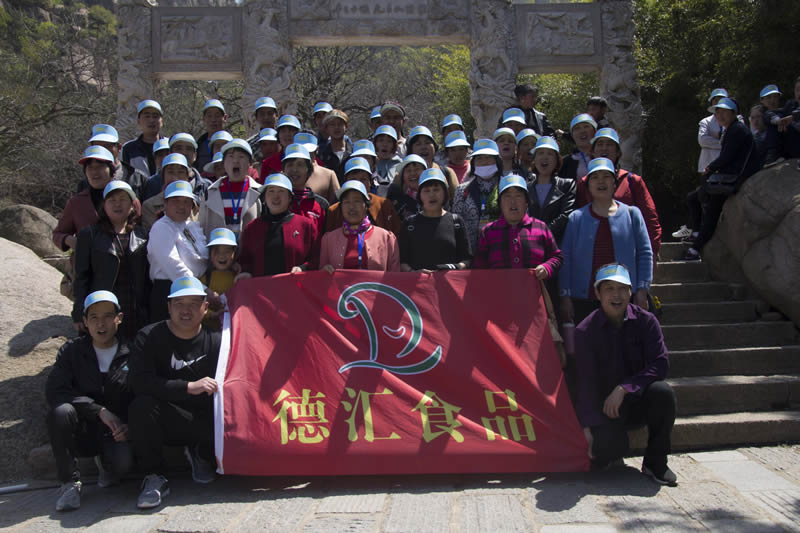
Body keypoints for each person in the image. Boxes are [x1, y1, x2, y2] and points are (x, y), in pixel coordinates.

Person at [575, 263, 677, 486]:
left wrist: (625, 388)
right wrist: (587, 428)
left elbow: (660, 363)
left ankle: (656, 463)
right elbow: (585, 382)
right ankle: (611, 453)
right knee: (605, 450)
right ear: (598, 294)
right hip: (607, 408)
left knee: (663, 392)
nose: (616, 295)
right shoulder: (585, 331)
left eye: (622, 288)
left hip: (638, 399)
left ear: (631, 291)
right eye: (609, 289)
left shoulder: (647, 321)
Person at [128, 276, 222, 509]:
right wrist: (188, 387)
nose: (186, 310)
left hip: (203, 420)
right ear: (169, 307)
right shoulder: (149, 337)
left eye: (193, 304)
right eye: (179, 304)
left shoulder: (217, 340)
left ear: (205, 307)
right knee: (141, 406)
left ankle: (201, 454)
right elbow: (140, 382)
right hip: (167, 416)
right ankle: (154, 476)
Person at [46, 290, 134, 511]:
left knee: (122, 466)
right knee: (60, 412)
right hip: (83, 428)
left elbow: (142, 392)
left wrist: (129, 425)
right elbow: (55, 391)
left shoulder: (132, 351)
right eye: (94, 317)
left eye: (107, 316)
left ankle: (107, 465)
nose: (100, 324)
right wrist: (97, 410)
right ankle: (69, 482)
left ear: (119, 318)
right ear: (85, 321)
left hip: (115, 432)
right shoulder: (72, 351)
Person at [559, 158, 653, 325]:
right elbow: (566, 258)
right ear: (588, 185)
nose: (601, 181)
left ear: (614, 183)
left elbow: (645, 254)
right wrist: (565, 295)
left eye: (606, 177)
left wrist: (642, 290)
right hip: (585, 298)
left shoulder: (632, 214)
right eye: (595, 177)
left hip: (623, 298)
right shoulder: (576, 218)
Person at [683, 97, 760, 261]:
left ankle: (695, 249)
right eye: (717, 112)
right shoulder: (731, 129)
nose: (720, 115)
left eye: (724, 112)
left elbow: (727, 157)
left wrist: (710, 168)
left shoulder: (737, 130)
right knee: (694, 197)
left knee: (712, 209)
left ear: (734, 113)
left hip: (735, 178)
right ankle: (696, 233)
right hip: (728, 175)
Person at [72, 181, 150, 340]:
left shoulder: (143, 235)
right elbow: (81, 276)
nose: (117, 204)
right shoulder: (89, 235)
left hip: (136, 310)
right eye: (112, 200)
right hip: (103, 310)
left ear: (132, 205)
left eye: (123, 199)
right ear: (104, 205)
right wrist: (79, 310)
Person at [576, 128, 662, 259]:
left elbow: (650, 218)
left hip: (630, 252)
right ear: (593, 151)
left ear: (617, 152)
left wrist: (652, 251)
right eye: (600, 144)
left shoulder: (633, 181)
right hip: (595, 253)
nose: (604, 148)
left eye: (609, 144)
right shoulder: (583, 184)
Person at [473, 174, 562, 276]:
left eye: (518, 196)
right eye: (507, 196)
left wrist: (547, 267)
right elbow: (479, 267)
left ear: (526, 202)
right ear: (500, 203)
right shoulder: (488, 231)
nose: (513, 201)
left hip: (532, 286)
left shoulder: (541, 228)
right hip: (499, 286)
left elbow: (557, 257)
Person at [147, 181, 208, 322]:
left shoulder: (191, 226)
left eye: (186, 202)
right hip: (170, 289)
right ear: (165, 203)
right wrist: (204, 290)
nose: (182, 206)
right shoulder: (161, 227)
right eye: (176, 201)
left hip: (196, 288)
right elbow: (173, 265)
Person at [237, 174, 317, 278]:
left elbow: (316, 259)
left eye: (281, 191)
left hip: (294, 286)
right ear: (264, 197)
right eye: (271, 191)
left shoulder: (305, 225)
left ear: (290, 197)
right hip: (261, 287)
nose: (276, 196)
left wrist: (303, 268)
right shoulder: (252, 228)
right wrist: (246, 272)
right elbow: (245, 260)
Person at [399, 169, 471, 272]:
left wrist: (453, 268)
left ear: (445, 193)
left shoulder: (456, 221)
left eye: (436, 190)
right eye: (427, 191)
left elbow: (467, 259)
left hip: (449, 281)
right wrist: (414, 273)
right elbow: (402, 262)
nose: (432, 195)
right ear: (420, 195)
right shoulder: (409, 224)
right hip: (417, 281)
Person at [320, 180, 400, 272]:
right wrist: (324, 271)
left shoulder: (386, 238)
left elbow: (395, 276)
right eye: (346, 202)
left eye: (357, 201)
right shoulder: (328, 239)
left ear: (366, 205)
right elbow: (321, 274)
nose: (351, 207)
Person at [54, 146, 117, 258]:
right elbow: (58, 234)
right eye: (90, 167)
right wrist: (69, 240)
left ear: (111, 169)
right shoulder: (76, 202)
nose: (94, 172)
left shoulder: (127, 197)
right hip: (87, 264)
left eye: (99, 167)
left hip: (121, 263)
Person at [198, 139, 262, 238]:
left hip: (248, 247)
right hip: (218, 246)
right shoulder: (209, 193)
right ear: (223, 163)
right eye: (231, 156)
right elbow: (201, 228)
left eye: (241, 157)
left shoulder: (260, 192)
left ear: (250, 163)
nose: (235, 161)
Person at [325, 157, 402, 235]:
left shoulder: (383, 205)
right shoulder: (334, 211)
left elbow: (395, 234)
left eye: (363, 179)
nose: (358, 183)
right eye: (353, 179)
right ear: (345, 182)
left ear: (370, 182)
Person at [452, 139, 504, 252]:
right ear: (473, 163)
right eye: (479, 158)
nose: (484, 162)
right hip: (471, 251)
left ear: (497, 161)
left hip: (502, 249)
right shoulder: (462, 190)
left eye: (488, 157)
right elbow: (456, 224)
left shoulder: (506, 187)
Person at [527, 136, 576, 244]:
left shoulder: (567, 185)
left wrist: (543, 233)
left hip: (556, 244)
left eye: (550, 154)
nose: (545, 157)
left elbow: (566, 215)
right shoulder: (526, 188)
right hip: (530, 244)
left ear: (557, 160)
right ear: (534, 159)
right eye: (540, 153)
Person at [140, 133, 211, 203]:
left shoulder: (207, 185)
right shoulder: (153, 183)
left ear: (195, 155)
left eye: (189, 149)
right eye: (179, 148)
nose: (184, 152)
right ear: (170, 153)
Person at [141, 152, 198, 233]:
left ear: (187, 177)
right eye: (170, 172)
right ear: (163, 176)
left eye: (180, 172)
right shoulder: (149, 206)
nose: (175, 177)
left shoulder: (197, 203)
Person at [281, 143, 329, 236]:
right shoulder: (277, 201)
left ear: (308, 170)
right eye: (290, 165)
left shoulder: (321, 204)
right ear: (283, 170)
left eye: (300, 165)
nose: (294, 170)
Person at [404, 125, 459, 202]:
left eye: (427, 143)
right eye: (418, 144)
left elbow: (458, 202)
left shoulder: (448, 173)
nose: (423, 147)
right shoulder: (402, 174)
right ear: (411, 150)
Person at [199, 228, 238, 330]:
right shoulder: (204, 279)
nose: (222, 255)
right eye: (216, 251)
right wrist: (212, 314)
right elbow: (197, 304)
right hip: (209, 330)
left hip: (232, 330)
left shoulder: (238, 277)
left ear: (234, 253)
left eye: (227, 251)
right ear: (210, 254)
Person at [122, 100, 165, 178]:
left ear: (161, 121)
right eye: (147, 116)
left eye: (155, 116)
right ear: (138, 121)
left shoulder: (169, 145)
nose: (151, 120)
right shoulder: (128, 149)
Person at [296, 131, 340, 204]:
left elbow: (337, 205)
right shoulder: (286, 174)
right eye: (301, 150)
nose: (304, 154)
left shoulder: (328, 175)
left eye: (308, 151)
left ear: (316, 150)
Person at [387, 154, 427, 222]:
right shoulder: (397, 200)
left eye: (417, 169)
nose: (412, 173)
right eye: (408, 170)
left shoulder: (433, 195)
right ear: (403, 176)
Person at [260, 114, 302, 178]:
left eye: (291, 130)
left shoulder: (310, 159)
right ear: (278, 135)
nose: (287, 134)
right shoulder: (267, 163)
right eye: (283, 131)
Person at [697, 88, 728, 175]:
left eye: (721, 99)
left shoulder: (736, 120)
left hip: (728, 166)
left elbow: (737, 141)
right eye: (715, 100)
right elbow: (702, 140)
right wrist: (725, 144)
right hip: (708, 166)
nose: (718, 102)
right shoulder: (705, 122)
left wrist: (716, 136)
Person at [318, 109, 353, 183]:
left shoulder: (354, 152)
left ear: (346, 127)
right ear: (326, 129)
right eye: (332, 124)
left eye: (340, 124)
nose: (336, 127)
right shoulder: (321, 154)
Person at [560, 114, 597, 181]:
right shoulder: (564, 163)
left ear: (595, 131)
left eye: (586, 126)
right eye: (577, 128)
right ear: (572, 135)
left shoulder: (606, 155)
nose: (582, 131)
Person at [195, 99, 228, 172]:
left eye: (217, 116)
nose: (213, 120)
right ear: (203, 119)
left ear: (225, 118)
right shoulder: (198, 146)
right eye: (209, 116)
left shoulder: (231, 143)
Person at [246, 96, 278, 161]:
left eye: (270, 113)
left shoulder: (284, 140)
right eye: (262, 114)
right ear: (256, 117)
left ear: (276, 115)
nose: (266, 117)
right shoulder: (249, 145)